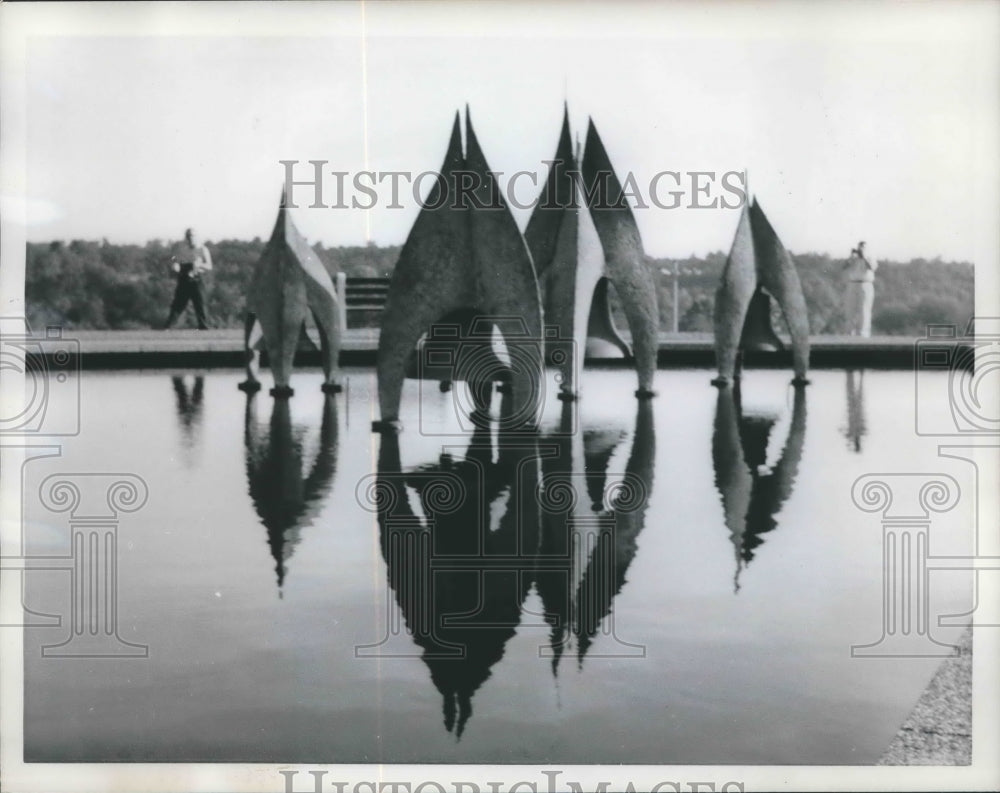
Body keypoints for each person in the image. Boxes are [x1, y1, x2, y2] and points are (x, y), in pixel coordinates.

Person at [165, 228, 212, 329]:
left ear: (196, 237)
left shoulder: (203, 249)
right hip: (184, 276)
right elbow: (173, 258)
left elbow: (209, 266)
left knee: (200, 304)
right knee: (178, 304)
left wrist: (199, 265)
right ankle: (168, 327)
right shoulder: (180, 248)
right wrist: (175, 264)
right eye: (188, 236)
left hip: (197, 277)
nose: (191, 238)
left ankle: (204, 327)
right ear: (186, 237)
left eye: (192, 236)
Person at [844, 240, 877, 337]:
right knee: (850, 309)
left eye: (863, 247)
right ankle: (849, 333)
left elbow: (872, 267)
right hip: (852, 284)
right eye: (860, 247)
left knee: (864, 309)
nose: (861, 249)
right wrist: (851, 256)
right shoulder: (854, 258)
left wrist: (864, 257)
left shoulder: (870, 257)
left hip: (865, 284)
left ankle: (863, 333)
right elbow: (844, 266)